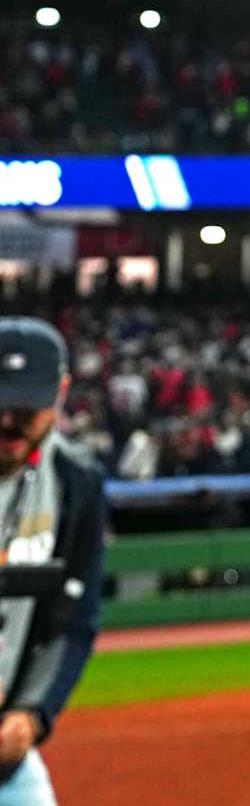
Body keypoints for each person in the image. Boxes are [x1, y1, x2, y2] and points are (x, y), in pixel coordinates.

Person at [0, 318, 108, 806]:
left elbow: (73, 618)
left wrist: (33, 713)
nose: (7, 421)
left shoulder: (76, 483)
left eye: (26, 406)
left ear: (61, 392)